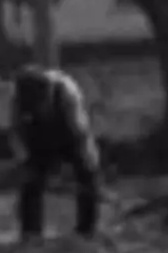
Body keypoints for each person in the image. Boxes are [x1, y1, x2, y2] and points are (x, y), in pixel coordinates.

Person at [10, 63, 100, 239]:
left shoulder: (67, 91)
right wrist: (22, 157)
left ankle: (87, 229)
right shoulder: (19, 98)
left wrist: (84, 160)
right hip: (37, 135)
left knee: (87, 175)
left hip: (69, 132)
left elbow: (81, 134)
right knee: (31, 181)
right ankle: (30, 232)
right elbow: (16, 129)